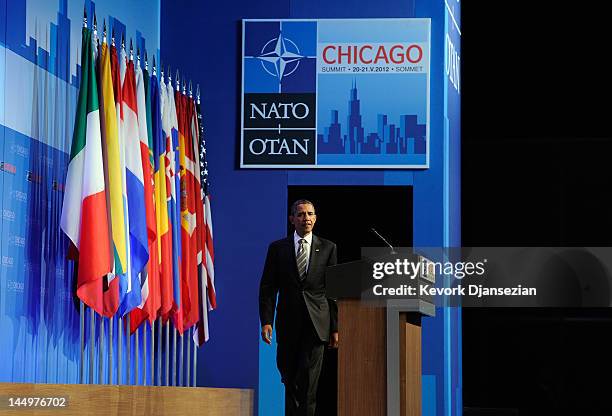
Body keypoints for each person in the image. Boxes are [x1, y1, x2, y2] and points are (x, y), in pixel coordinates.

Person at [259, 199, 339, 416]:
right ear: (292, 219)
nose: (307, 218)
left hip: (317, 324)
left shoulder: (329, 247)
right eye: (301, 214)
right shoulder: (277, 248)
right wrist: (266, 321)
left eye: (310, 214)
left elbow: (333, 291)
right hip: (288, 323)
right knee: (289, 378)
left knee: (309, 383)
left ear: (316, 218)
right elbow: (268, 287)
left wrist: (334, 328)